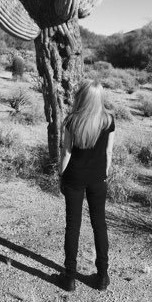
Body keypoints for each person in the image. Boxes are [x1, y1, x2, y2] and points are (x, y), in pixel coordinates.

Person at [58, 79, 115, 292]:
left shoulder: (72, 120)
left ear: (81, 96)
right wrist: (104, 173)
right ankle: (102, 277)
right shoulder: (108, 120)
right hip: (98, 179)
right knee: (99, 225)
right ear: (99, 98)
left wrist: (60, 174)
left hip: (74, 178)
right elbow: (109, 152)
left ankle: (70, 277)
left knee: (73, 226)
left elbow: (66, 152)